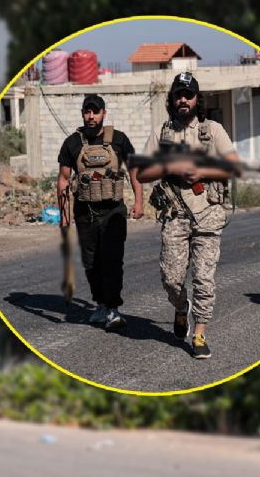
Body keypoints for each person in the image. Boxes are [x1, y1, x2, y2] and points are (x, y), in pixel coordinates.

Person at [135, 72, 240, 359]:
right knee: (171, 277)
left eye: (188, 94)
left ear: (197, 99)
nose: (183, 99)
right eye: (178, 94)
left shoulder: (212, 130)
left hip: (207, 212)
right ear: (171, 99)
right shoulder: (161, 133)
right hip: (174, 214)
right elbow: (143, 173)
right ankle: (182, 308)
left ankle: (199, 334)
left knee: (204, 279)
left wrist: (202, 171)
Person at [57, 94, 143, 329]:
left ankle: (113, 308)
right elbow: (64, 180)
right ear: (82, 113)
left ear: (104, 113)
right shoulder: (72, 143)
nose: (91, 116)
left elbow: (134, 170)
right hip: (85, 213)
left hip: (114, 211)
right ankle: (101, 305)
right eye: (87, 111)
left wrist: (139, 202)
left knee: (112, 260)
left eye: (96, 111)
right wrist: (63, 215)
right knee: (90, 262)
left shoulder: (119, 139)